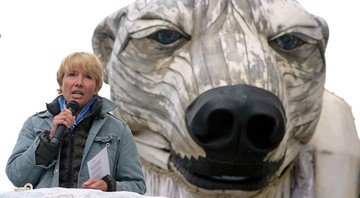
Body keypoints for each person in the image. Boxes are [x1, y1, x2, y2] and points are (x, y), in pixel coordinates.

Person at [5, 51, 146, 194]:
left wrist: (109, 186)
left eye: (88, 77)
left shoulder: (118, 129)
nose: (79, 82)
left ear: (96, 87)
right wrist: (46, 141)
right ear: (61, 81)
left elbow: (138, 186)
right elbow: (17, 177)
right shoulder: (34, 124)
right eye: (72, 74)